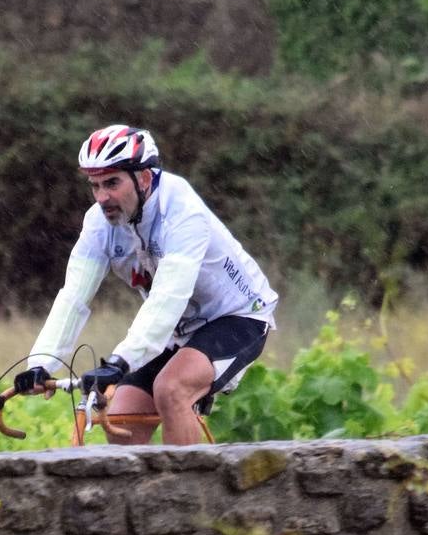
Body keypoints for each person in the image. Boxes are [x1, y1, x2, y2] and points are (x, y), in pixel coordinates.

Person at [14, 124, 278, 444]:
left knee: (172, 389)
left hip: (238, 317)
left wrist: (120, 361)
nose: (102, 197)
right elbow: (73, 296)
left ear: (144, 177)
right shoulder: (100, 223)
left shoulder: (182, 213)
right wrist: (41, 363)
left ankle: (189, 491)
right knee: (120, 420)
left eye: (112, 183)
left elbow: (169, 296)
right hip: (178, 331)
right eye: (95, 185)